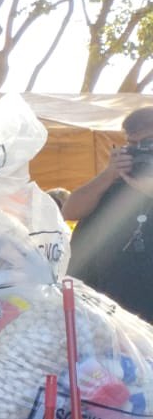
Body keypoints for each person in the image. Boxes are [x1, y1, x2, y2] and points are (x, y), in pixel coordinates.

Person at [65, 106, 153, 322]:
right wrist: (108, 174)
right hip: (103, 309)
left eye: (148, 144)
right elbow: (70, 210)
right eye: (132, 145)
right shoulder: (116, 180)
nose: (141, 151)